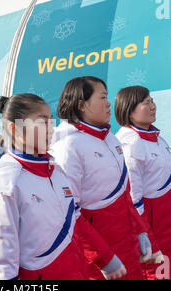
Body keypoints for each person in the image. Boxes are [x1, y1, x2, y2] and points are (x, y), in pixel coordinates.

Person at [0, 93, 124, 280]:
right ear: (14, 129)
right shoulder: (3, 179)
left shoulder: (56, 172)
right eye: (42, 123)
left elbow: (75, 219)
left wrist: (106, 258)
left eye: (50, 121)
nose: (50, 129)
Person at [51, 76, 159, 280]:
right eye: (102, 97)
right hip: (97, 258)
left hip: (127, 244)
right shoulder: (68, 146)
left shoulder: (110, 138)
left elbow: (124, 193)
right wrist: (103, 257)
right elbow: (68, 213)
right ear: (82, 105)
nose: (109, 103)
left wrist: (141, 231)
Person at [114, 86, 171, 280]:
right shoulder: (130, 143)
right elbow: (133, 200)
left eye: (152, 101)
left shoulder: (155, 137)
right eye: (146, 103)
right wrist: (146, 238)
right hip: (155, 232)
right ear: (129, 109)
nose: (153, 106)